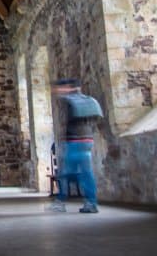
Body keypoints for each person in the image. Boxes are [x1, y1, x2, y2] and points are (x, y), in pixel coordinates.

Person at [49, 78, 103, 213]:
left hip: (75, 142)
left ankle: (61, 201)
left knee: (66, 173)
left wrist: (67, 139)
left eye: (60, 88)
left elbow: (75, 124)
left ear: (69, 87)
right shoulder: (89, 101)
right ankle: (90, 202)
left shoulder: (72, 102)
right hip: (87, 141)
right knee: (85, 173)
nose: (57, 91)